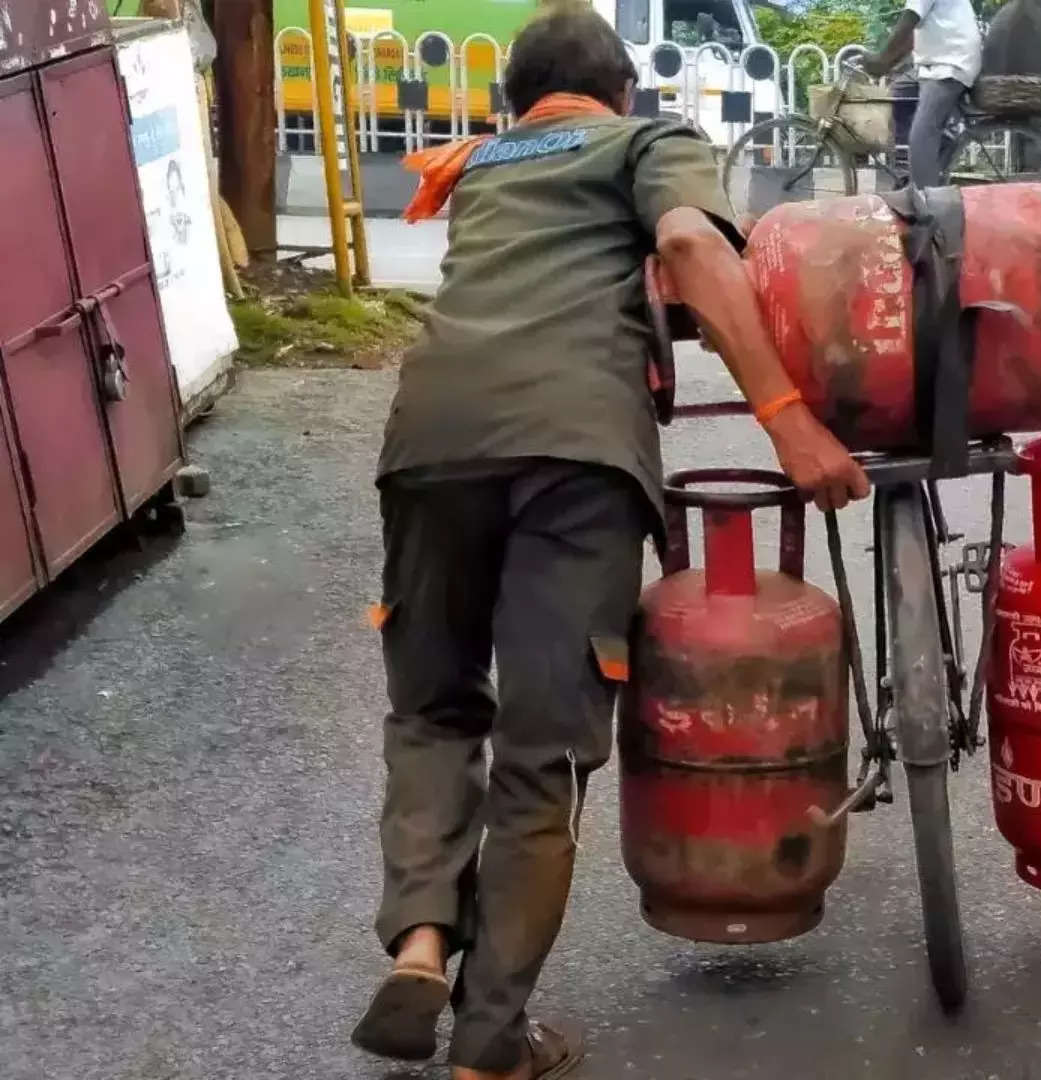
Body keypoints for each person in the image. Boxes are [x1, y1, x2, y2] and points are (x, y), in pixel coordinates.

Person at [349, 6, 869, 1079]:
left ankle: (417, 950)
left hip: (428, 444)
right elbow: (686, 242)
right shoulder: (647, 141)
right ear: (622, 90)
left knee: (434, 708)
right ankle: (491, 1033)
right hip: (573, 456)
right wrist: (788, 417)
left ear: (517, 104)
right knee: (543, 751)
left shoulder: (487, 161)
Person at [861, 0, 983, 187]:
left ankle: (924, 200)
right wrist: (887, 63)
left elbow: (908, 21)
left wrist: (880, 60)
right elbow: (911, 37)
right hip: (939, 62)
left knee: (923, 133)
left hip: (948, 64)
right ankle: (915, 167)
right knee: (899, 91)